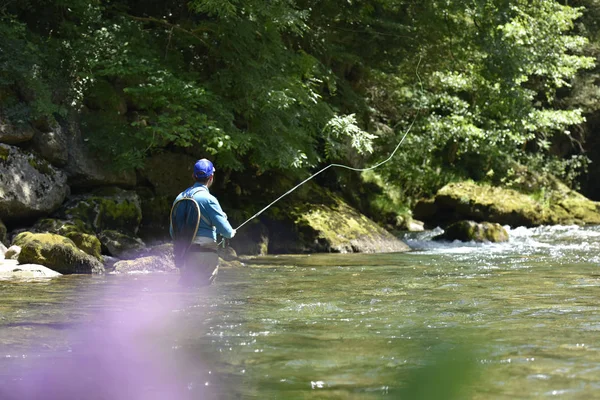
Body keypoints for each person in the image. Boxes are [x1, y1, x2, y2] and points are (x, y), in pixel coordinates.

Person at [170, 158, 236, 286]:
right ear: (211, 177)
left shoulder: (180, 197)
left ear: (193, 175)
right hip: (205, 254)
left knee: (187, 291)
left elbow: (173, 231)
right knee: (204, 294)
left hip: (184, 254)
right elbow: (227, 232)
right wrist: (232, 232)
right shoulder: (209, 199)